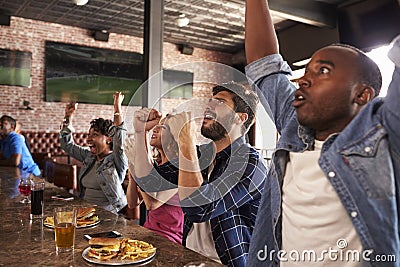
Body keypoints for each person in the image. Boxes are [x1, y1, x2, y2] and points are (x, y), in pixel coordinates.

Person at [244, 1, 400, 266]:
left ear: (362, 95)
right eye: (306, 71)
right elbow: (264, 65)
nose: (304, 80)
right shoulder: (294, 125)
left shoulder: (385, 135)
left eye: (323, 71)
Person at [136, 82, 268, 266]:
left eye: (220, 102)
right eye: (210, 101)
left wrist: (186, 141)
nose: (209, 105)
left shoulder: (251, 164)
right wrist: (140, 131)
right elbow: (150, 183)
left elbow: (200, 209)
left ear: (240, 118)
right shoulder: (203, 154)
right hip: (191, 258)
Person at [59, 92, 128, 214]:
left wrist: (117, 108)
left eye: (95, 135)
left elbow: (119, 138)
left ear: (109, 139)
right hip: (84, 213)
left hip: (107, 216)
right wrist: (67, 116)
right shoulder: (90, 157)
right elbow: (67, 145)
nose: (89, 139)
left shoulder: (117, 160)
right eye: (89, 135)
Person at [125, 113, 184, 244]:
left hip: (170, 239)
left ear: (175, 136)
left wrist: (140, 169)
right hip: (149, 232)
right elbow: (132, 203)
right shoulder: (158, 166)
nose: (156, 128)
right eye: (157, 125)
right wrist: (133, 171)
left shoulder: (179, 168)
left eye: (163, 127)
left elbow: (152, 203)